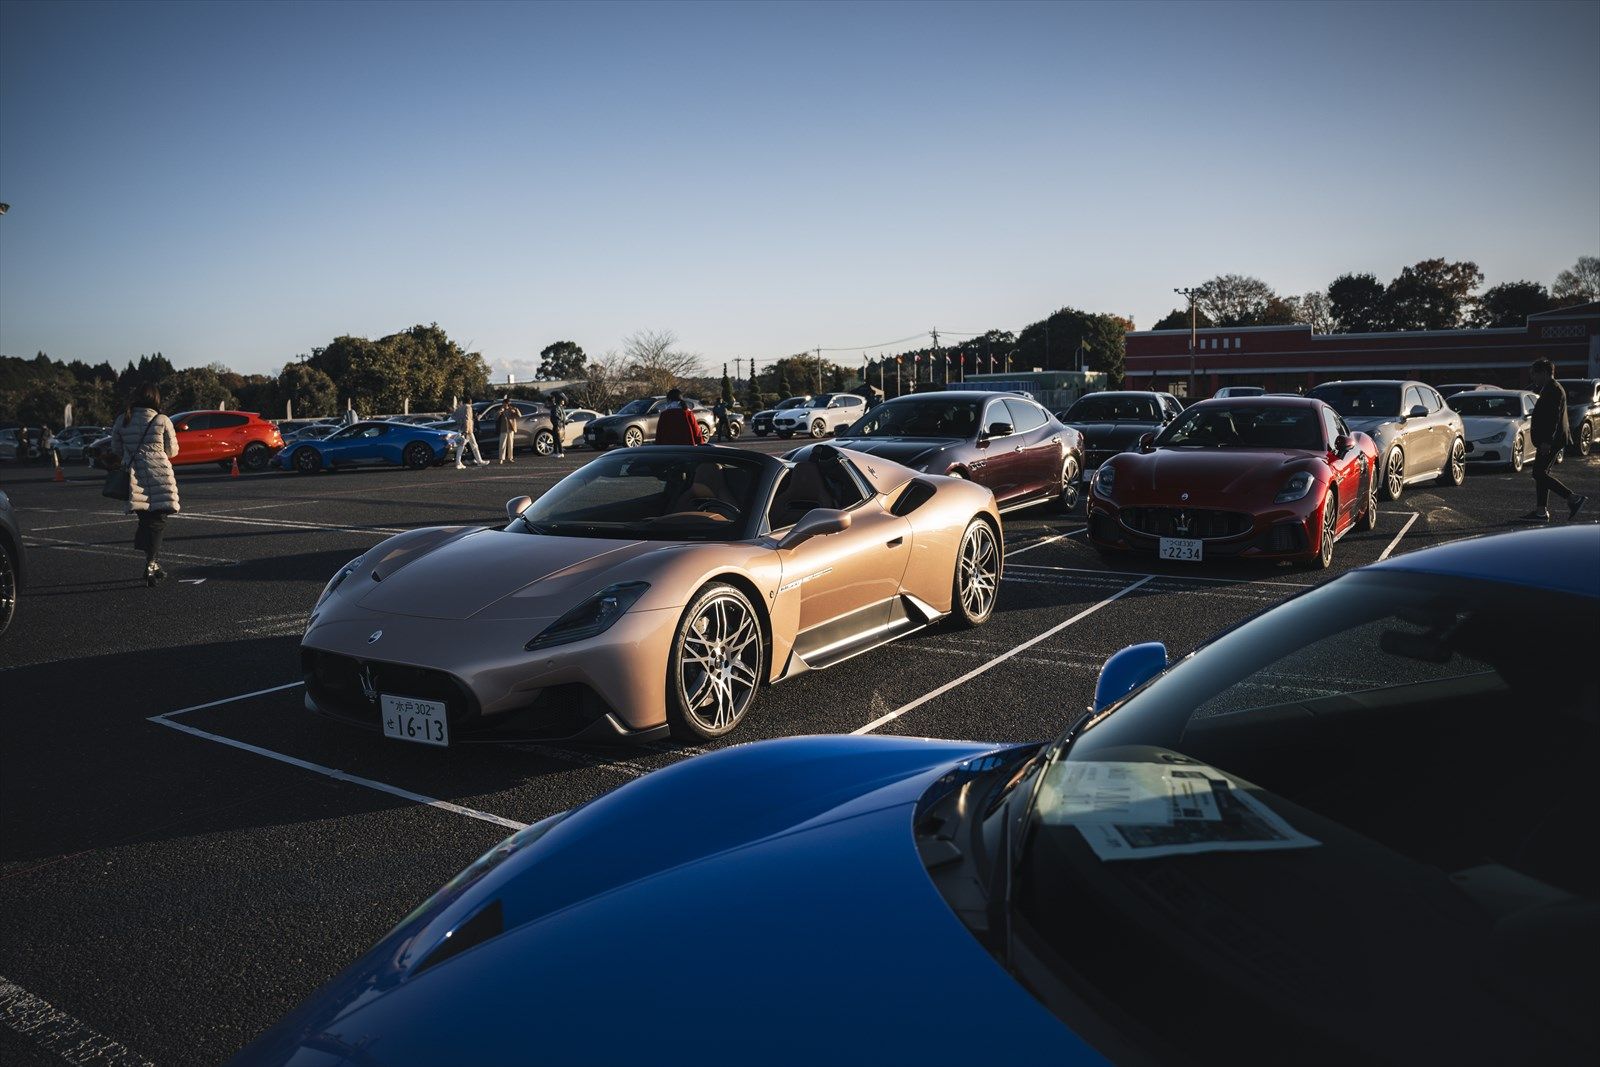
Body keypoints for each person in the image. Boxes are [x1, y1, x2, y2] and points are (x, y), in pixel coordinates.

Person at [110, 384, 180, 586]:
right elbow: (172, 451)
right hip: (159, 474)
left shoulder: (123, 419)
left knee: (146, 519)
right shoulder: (162, 420)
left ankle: (152, 562)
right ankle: (150, 564)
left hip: (135, 475)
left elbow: (116, 448)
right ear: (155, 400)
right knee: (158, 521)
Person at [1523, 358, 1586, 523]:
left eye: (1534, 374)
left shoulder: (1553, 389)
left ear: (1543, 373)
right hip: (1549, 440)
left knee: (1538, 472)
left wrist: (1547, 441)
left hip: (1551, 441)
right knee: (1541, 473)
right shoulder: (1550, 388)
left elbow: (1553, 417)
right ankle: (1541, 512)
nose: (1532, 378)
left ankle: (1572, 498)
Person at [453, 398, 487, 468]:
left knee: (462, 446)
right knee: (472, 446)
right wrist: (466, 430)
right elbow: (467, 419)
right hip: (468, 430)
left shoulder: (460, 408)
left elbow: (454, 416)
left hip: (462, 428)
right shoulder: (468, 407)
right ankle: (479, 461)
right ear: (470, 401)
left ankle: (459, 462)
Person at [496, 398, 520, 464]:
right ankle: (501, 458)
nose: (504, 405)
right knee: (502, 444)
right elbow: (496, 417)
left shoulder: (512, 409)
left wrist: (516, 410)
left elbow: (519, 415)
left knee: (510, 444)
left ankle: (510, 457)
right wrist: (500, 411)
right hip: (503, 428)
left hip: (511, 428)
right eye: (503, 403)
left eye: (505, 403)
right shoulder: (501, 409)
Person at [548, 392, 568, 458]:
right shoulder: (559, 407)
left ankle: (560, 452)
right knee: (555, 439)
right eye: (562, 400)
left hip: (557, 425)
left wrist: (558, 422)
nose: (563, 401)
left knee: (557, 439)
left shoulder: (557, 407)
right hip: (558, 425)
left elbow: (558, 416)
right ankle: (556, 452)